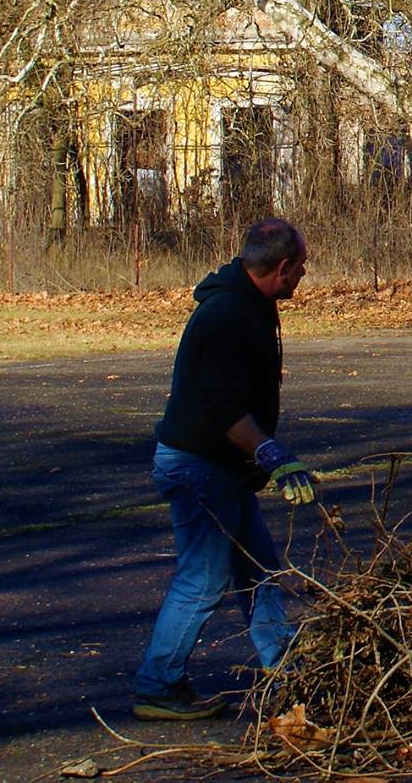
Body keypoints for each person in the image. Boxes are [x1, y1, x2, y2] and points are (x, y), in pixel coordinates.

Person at [133, 218, 317, 721]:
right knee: (204, 578)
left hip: (221, 468)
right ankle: (158, 685)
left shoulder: (249, 303)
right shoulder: (228, 314)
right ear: (282, 267)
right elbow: (223, 408)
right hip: (198, 468)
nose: (304, 275)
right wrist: (271, 454)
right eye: (301, 267)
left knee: (259, 571)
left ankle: (288, 672)